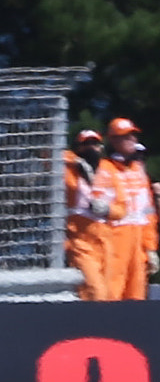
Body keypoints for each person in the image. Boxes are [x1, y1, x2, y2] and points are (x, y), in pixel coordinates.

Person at [63, 129, 128, 301]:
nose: (91, 148)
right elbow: (50, 155)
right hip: (80, 239)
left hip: (106, 240)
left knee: (108, 294)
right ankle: (88, 327)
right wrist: (76, 161)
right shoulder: (68, 168)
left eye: (95, 143)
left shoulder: (110, 170)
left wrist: (107, 210)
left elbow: (122, 208)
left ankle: (101, 327)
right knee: (94, 291)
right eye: (86, 144)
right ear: (78, 147)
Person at [104, 118, 158, 301]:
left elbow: (148, 211)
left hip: (138, 239)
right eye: (126, 136)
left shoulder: (139, 171)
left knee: (137, 293)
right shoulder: (106, 168)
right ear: (113, 140)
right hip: (115, 237)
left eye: (133, 135)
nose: (132, 139)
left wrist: (150, 247)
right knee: (112, 291)